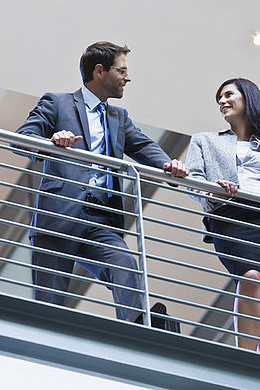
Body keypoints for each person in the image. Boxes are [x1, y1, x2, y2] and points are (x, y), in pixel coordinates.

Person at [16, 41, 188, 322]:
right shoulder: (57, 103)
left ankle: (136, 334)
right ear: (99, 71)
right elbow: (23, 138)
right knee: (50, 303)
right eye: (122, 71)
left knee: (125, 265)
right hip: (59, 214)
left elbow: (145, 148)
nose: (127, 77)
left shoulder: (118, 117)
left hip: (101, 218)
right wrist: (51, 142)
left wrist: (171, 166)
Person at [185, 78, 260, 355]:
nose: (222, 102)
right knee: (249, 276)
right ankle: (247, 358)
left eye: (228, 95)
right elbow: (193, 182)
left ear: (248, 98)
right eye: (219, 99)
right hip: (230, 216)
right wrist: (214, 191)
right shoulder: (205, 140)